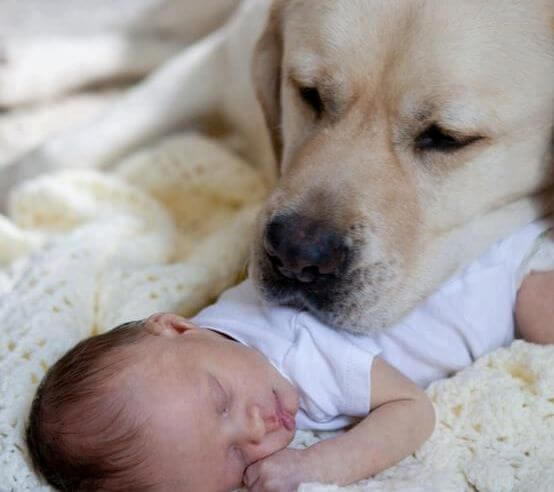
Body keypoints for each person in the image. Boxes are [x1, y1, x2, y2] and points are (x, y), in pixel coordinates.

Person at [25, 219, 554, 492]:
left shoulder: (303, 357)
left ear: (176, 324)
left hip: (505, 270)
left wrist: (318, 463)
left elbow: (413, 411)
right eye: (234, 460)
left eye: (221, 401)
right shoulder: (207, 341)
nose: (256, 431)